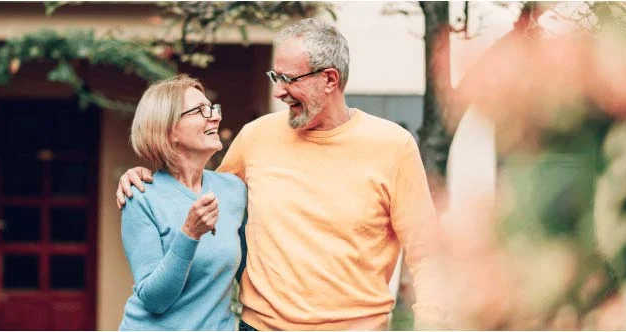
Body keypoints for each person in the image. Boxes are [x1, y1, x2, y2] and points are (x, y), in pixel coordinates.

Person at [116, 19, 443, 330]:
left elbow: (427, 254)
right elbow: (195, 188)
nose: (278, 91)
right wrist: (147, 174)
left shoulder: (392, 146)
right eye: (276, 77)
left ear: (329, 79)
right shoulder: (255, 137)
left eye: (290, 79)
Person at [118, 74, 247, 331]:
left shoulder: (234, 190)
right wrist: (189, 234)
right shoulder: (141, 196)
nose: (215, 117)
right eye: (200, 111)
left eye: (212, 108)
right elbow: (154, 300)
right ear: (168, 130)